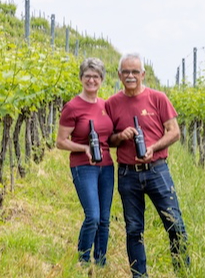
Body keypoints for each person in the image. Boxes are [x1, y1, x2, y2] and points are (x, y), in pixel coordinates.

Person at [105, 53, 189, 277]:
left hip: (157, 170)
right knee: (134, 229)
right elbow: (108, 140)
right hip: (127, 173)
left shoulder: (158, 98)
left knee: (175, 225)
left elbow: (175, 132)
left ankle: (183, 272)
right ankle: (139, 275)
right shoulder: (112, 104)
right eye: (126, 72)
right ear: (119, 75)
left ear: (143, 74)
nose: (130, 76)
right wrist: (121, 136)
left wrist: (153, 147)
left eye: (135, 72)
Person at [56, 57, 114, 267]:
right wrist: (84, 148)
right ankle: (83, 261)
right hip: (83, 167)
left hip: (106, 167)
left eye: (96, 76)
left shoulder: (106, 105)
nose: (91, 80)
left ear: (101, 80)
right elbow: (60, 142)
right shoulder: (72, 107)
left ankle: (100, 262)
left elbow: (111, 136)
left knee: (105, 220)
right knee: (93, 217)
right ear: (81, 78)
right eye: (88, 76)